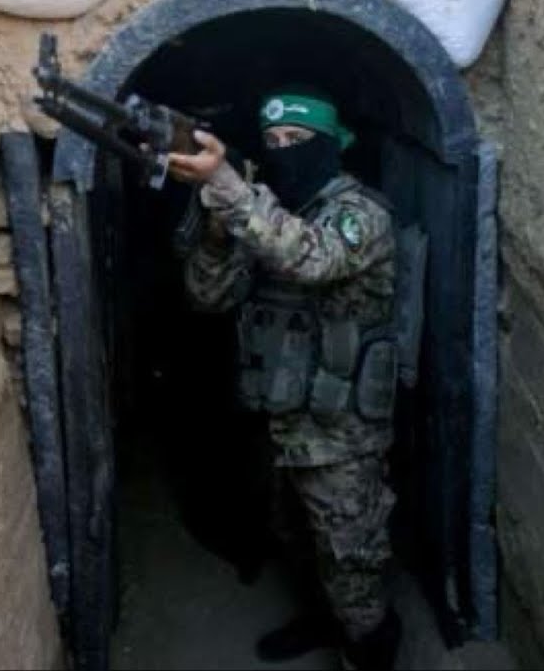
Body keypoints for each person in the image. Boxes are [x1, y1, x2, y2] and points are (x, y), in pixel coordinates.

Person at [167, 87, 402, 670]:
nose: (284, 151)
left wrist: (228, 187)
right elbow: (207, 297)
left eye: (297, 139)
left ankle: (368, 647)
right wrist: (218, 232)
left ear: (330, 143)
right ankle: (322, 622)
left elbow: (313, 259)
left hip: (341, 426)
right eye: (272, 141)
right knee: (293, 534)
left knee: (350, 553)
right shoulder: (263, 215)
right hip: (280, 414)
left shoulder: (359, 213)